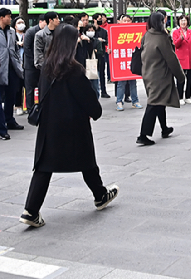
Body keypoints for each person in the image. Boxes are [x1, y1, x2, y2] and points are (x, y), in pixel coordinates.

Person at [19, 24, 118, 228]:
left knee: (43, 167)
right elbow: (88, 99)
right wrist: (96, 111)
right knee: (87, 161)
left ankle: (30, 210)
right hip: (74, 126)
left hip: (49, 125)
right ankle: (100, 195)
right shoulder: (73, 69)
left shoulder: (47, 66)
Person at [137, 12, 185, 145]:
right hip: (159, 76)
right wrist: (180, 76)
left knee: (159, 101)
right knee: (154, 103)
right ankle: (143, 134)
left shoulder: (147, 35)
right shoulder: (162, 38)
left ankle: (164, 128)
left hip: (147, 74)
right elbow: (171, 59)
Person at [0, 8, 25, 138]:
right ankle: (2, 127)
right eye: (8, 17)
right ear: (1, 18)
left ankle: (9, 120)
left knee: (11, 95)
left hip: (12, 68)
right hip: (1, 68)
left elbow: (14, 49)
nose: (10, 19)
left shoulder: (10, 32)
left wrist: (18, 62)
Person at [115, 15, 142, 111]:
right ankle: (119, 101)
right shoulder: (115, 31)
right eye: (124, 21)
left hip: (131, 61)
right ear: (120, 22)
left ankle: (135, 101)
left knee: (133, 82)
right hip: (121, 61)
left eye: (128, 21)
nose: (126, 22)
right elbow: (111, 46)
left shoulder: (134, 32)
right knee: (121, 83)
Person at [172, 15, 191, 105]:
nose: (183, 22)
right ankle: (179, 97)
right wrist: (180, 38)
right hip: (181, 58)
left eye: (185, 20)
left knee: (190, 78)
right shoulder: (176, 32)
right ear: (178, 22)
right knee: (180, 78)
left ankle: (188, 96)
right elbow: (176, 45)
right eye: (181, 20)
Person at [23, 15, 47, 113]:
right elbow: (27, 48)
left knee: (42, 87)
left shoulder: (47, 33)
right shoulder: (31, 32)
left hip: (42, 66)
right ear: (41, 22)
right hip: (30, 66)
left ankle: (42, 108)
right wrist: (34, 61)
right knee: (29, 89)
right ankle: (30, 109)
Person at [93, 13, 110, 97]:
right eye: (99, 19)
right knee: (92, 73)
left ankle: (104, 91)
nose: (101, 20)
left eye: (102, 19)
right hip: (92, 55)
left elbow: (107, 41)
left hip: (101, 53)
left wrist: (103, 41)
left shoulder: (103, 31)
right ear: (94, 20)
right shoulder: (91, 30)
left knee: (102, 72)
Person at [13, 17, 26, 115]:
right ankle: (18, 106)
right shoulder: (12, 35)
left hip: (26, 63)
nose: (21, 24)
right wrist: (17, 43)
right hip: (17, 64)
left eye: (22, 22)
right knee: (18, 86)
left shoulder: (27, 35)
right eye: (19, 22)